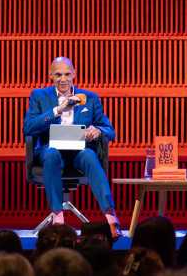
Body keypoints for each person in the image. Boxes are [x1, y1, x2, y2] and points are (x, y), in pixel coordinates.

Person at [23, 57, 121, 237]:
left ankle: (110, 216)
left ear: (74, 74)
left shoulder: (90, 98)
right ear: (50, 75)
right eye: (58, 74)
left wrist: (97, 130)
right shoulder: (39, 96)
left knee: (90, 156)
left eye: (67, 74)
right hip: (50, 150)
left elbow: (110, 130)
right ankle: (58, 217)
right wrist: (58, 110)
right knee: (52, 154)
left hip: (78, 151)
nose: (63, 79)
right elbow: (28, 127)